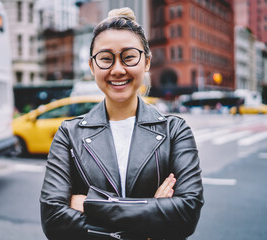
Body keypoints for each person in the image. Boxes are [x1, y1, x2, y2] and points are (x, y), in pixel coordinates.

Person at [40, 8, 204, 240]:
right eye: (106, 59)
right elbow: (54, 220)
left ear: (146, 62)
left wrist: (90, 204)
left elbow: (186, 214)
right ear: (92, 66)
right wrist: (152, 211)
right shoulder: (69, 134)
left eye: (128, 57)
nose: (117, 69)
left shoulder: (175, 130)